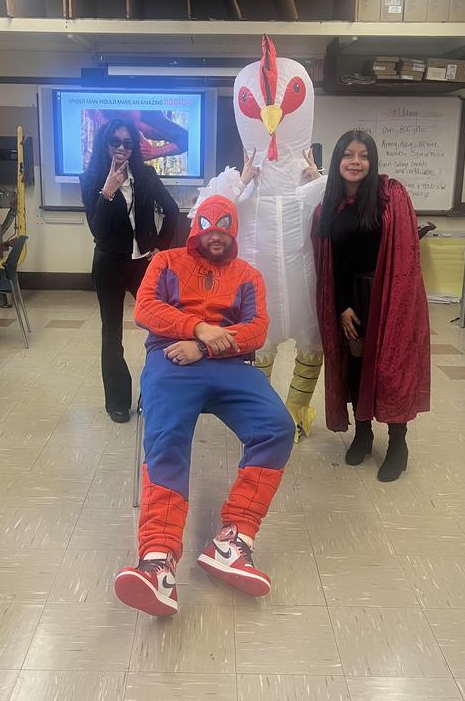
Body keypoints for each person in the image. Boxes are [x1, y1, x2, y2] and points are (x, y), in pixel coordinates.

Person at [114, 195, 295, 617]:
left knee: (277, 427)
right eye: (209, 227)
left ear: (234, 231)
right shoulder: (166, 262)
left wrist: (205, 346)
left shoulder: (248, 275)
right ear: (197, 228)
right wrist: (196, 327)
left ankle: (233, 541)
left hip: (229, 365)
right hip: (170, 359)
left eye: (224, 229)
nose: (216, 236)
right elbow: (146, 308)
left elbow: (257, 329)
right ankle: (157, 560)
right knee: (167, 438)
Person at [190, 36, 325, 441]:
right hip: (256, 283)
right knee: (256, 346)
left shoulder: (313, 180)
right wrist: (240, 182)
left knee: (312, 344)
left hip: (305, 282)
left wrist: (318, 181)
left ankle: (297, 407)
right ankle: (263, 414)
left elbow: (342, 216)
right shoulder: (236, 182)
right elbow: (203, 216)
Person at [312, 130, 430, 482]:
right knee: (356, 365)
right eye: (348, 155)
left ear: (372, 161)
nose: (356, 162)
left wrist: (397, 304)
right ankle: (362, 433)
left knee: (391, 370)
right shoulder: (328, 207)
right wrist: (341, 306)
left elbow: (406, 256)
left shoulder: (389, 197)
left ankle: (398, 444)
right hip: (351, 301)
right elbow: (330, 266)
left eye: (363, 156)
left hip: (389, 298)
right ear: (337, 161)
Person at [80, 118, 179, 423]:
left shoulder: (145, 176)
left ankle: (154, 394)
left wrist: (161, 247)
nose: (121, 148)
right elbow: (97, 230)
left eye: (127, 143)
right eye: (115, 142)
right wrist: (108, 191)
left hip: (143, 263)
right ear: (105, 144)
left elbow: (172, 211)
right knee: (112, 334)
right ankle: (117, 402)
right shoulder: (91, 179)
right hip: (109, 263)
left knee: (161, 327)